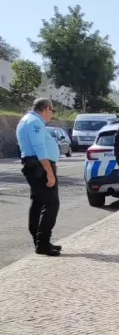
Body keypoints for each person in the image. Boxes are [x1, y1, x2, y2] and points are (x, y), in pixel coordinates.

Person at [16, 98, 62, 256]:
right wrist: (49, 172)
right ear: (47, 109)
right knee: (51, 204)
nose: (52, 115)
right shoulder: (34, 122)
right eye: (52, 111)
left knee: (38, 203)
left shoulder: (26, 120)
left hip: (35, 165)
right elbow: (39, 148)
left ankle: (40, 241)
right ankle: (42, 243)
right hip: (40, 166)